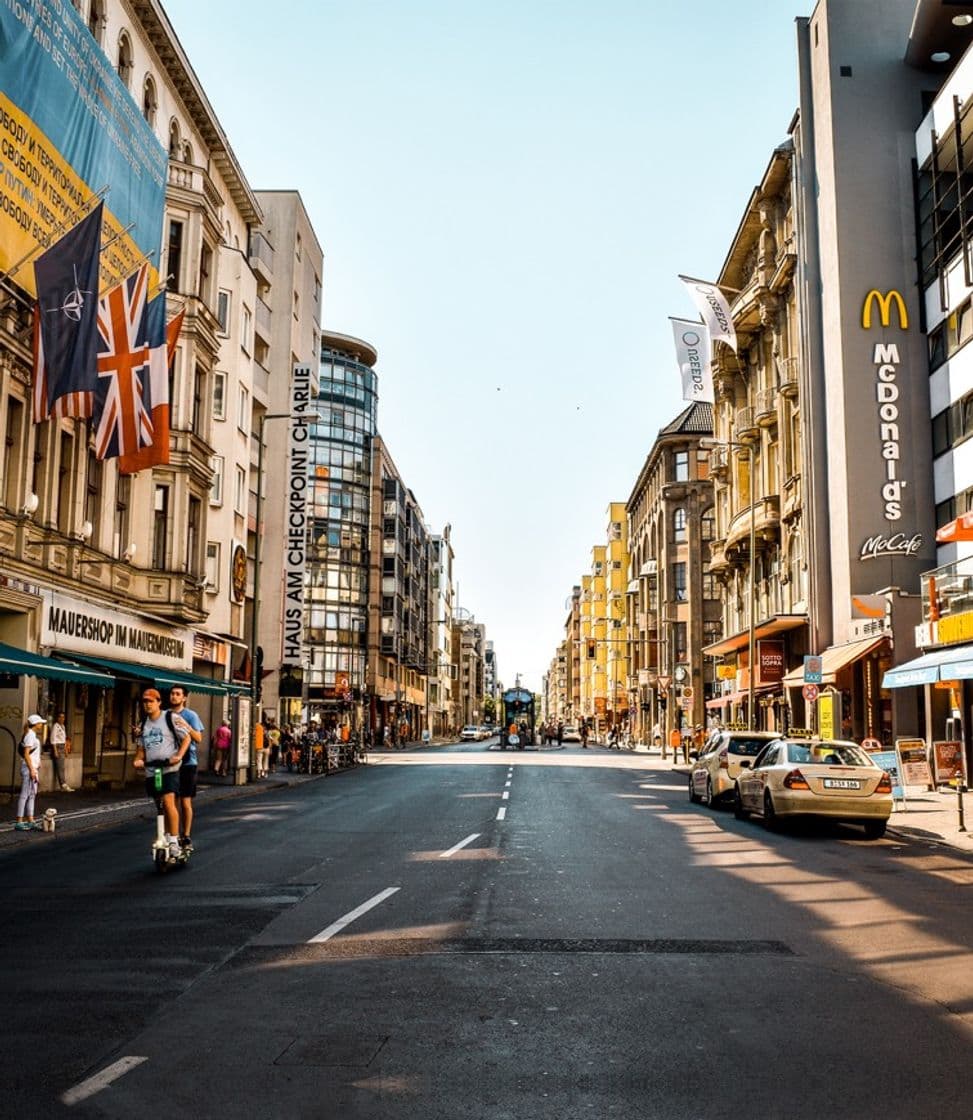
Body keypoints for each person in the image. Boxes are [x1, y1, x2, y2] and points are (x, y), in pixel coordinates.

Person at [132, 689, 191, 860]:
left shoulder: (170, 718)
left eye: (151, 701)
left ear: (159, 702)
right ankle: (163, 835)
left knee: (168, 801)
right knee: (159, 804)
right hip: (152, 770)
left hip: (169, 769)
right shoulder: (143, 724)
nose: (147, 704)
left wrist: (178, 756)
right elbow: (141, 749)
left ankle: (173, 840)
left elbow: (186, 738)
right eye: (145, 702)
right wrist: (137, 760)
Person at [169, 686, 204, 853]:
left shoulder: (191, 715)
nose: (174, 696)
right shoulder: (166, 715)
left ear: (184, 698)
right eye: (172, 694)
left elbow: (198, 738)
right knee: (171, 801)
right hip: (169, 763)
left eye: (177, 694)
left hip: (188, 763)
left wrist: (186, 726)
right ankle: (173, 835)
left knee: (185, 801)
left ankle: (187, 834)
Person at [14, 714, 46, 831]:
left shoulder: (31, 734)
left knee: (32, 794)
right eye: (40, 723)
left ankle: (30, 819)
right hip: (29, 768)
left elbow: (31, 754)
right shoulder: (30, 735)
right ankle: (19, 821)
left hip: (32, 768)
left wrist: (37, 764)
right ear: (36, 724)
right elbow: (26, 754)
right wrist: (32, 769)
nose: (42, 724)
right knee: (25, 794)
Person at [49, 711, 74, 791]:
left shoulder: (63, 726)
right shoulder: (55, 726)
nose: (62, 719)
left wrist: (66, 749)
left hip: (62, 746)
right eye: (60, 717)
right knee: (60, 767)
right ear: (57, 718)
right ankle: (63, 784)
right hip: (58, 747)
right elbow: (53, 739)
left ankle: (63, 784)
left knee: (62, 767)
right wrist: (55, 751)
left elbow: (64, 739)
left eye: (63, 717)